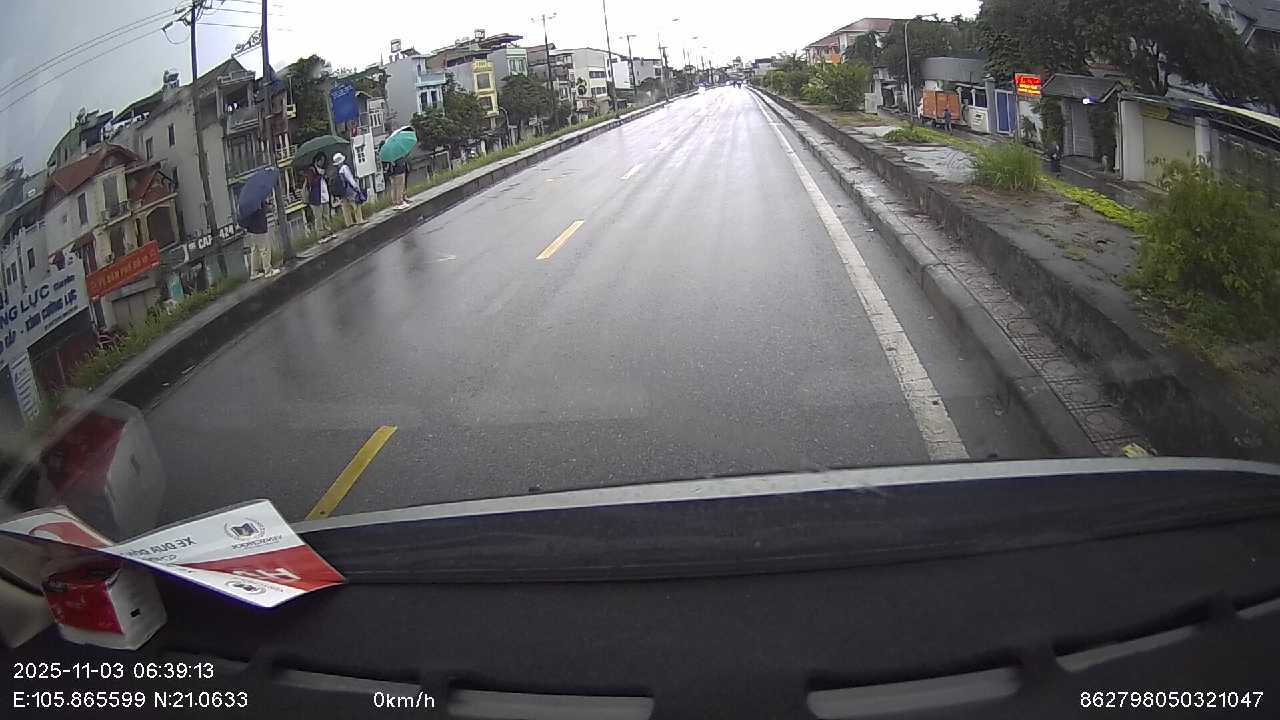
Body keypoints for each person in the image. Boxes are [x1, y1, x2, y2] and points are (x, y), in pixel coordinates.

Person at [332, 152, 365, 226]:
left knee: (345, 207)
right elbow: (350, 178)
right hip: (349, 189)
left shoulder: (337, 171)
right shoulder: (344, 168)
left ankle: (349, 223)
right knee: (356, 204)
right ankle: (359, 220)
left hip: (342, 191)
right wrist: (356, 186)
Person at [304, 152, 331, 241]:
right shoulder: (311, 170)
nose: (322, 163)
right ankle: (321, 235)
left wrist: (325, 177)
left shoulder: (322, 170)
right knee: (318, 217)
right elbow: (311, 183)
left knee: (326, 215)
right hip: (316, 198)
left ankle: (328, 232)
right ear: (317, 161)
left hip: (324, 195)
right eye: (321, 161)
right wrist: (320, 175)